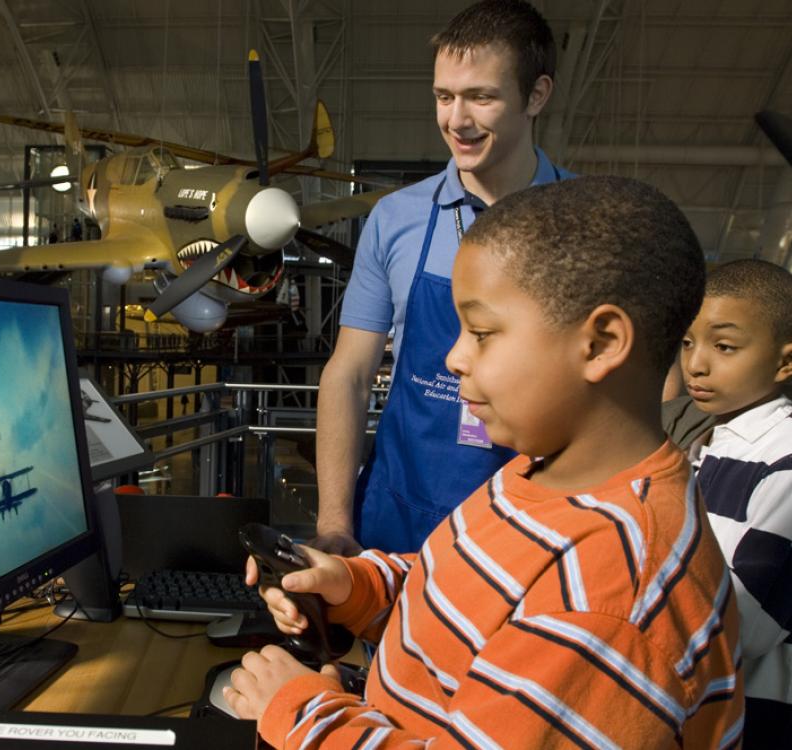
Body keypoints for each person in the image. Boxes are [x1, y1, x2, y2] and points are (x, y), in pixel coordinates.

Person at [225, 176, 744, 747]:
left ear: (600, 343)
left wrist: (299, 711)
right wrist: (355, 588)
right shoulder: (537, 473)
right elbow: (458, 602)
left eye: (481, 333)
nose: (452, 358)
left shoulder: (610, 597)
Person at [315, 0, 571, 556]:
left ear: (536, 95)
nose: (456, 120)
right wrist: (335, 523)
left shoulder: (583, 220)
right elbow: (349, 375)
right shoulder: (396, 218)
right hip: (397, 513)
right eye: (444, 96)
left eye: (481, 96)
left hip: (530, 524)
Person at [677, 258, 792, 747]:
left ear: (785, 361)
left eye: (724, 346)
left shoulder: (784, 460)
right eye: (687, 342)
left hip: (756, 717)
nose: (696, 363)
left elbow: (744, 625)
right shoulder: (706, 443)